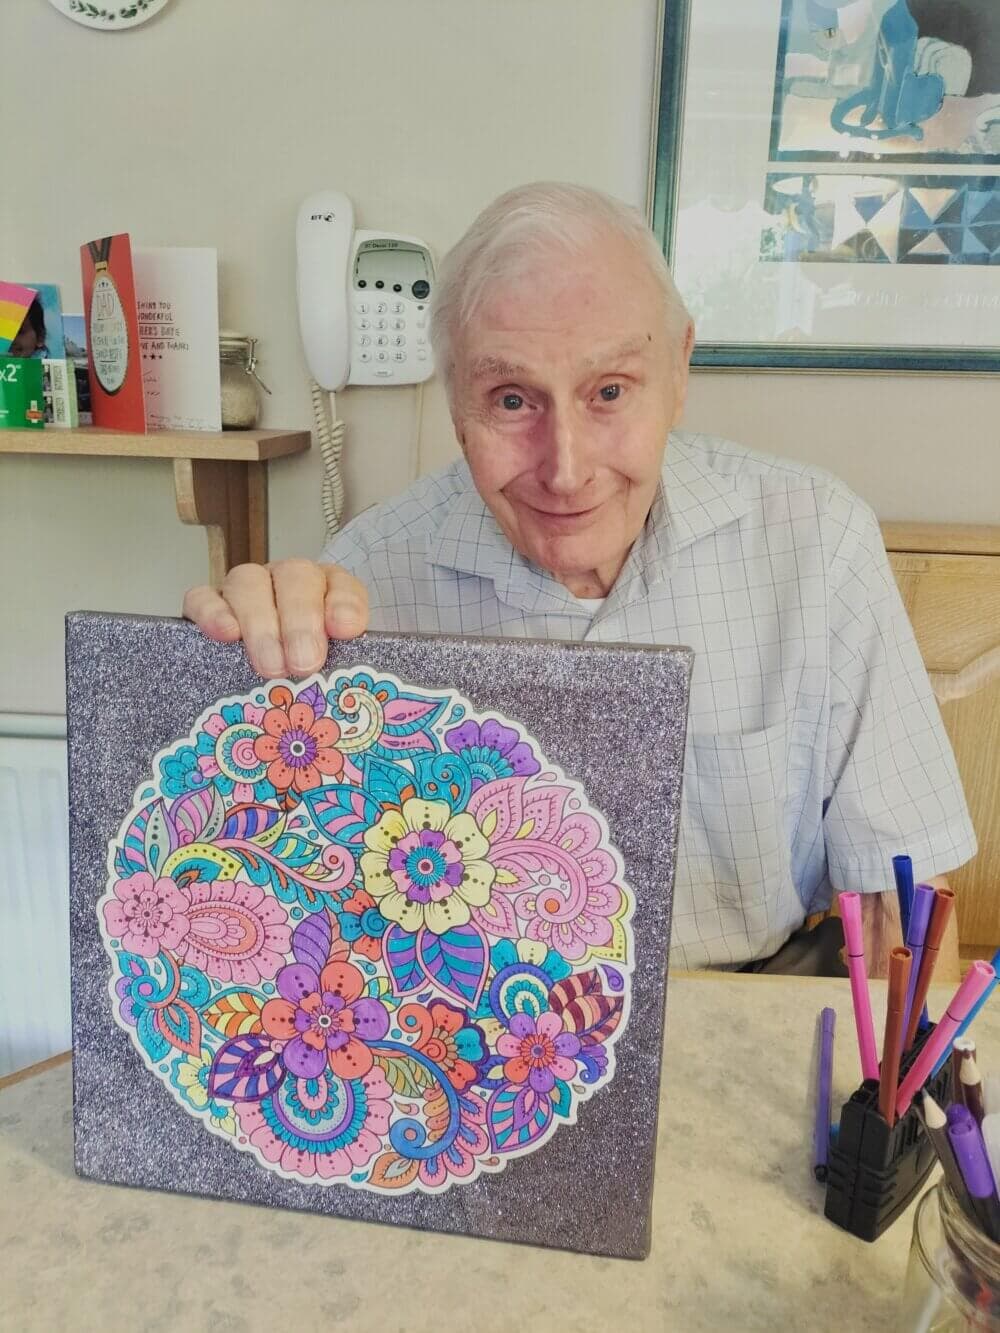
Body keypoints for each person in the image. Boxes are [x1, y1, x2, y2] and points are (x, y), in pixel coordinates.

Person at [184, 182, 976, 972]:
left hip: (738, 1002)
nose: (566, 470)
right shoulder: (363, 579)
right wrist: (215, 694)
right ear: (456, 402)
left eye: (608, 392)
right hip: (471, 1034)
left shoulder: (818, 541)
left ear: (678, 371)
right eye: (512, 398)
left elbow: (898, 907)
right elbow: (286, 914)